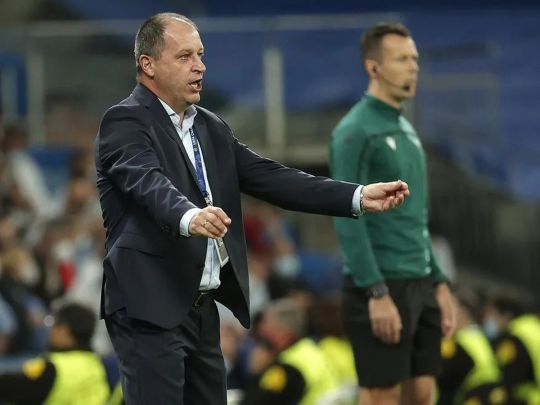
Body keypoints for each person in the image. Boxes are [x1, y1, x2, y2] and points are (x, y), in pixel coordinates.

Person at [94, 13, 409, 405]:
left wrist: (356, 195)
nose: (200, 66)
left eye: (201, 55)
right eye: (185, 56)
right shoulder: (124, 120)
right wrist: (189, 216)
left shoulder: (210, 126)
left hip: (200, 307)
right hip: (148, 304)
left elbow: (273, 178)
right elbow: (145, 180)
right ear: (148, 64)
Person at [329, 22, 456, 405]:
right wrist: (376, 291)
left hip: (420, 281)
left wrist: (439, 282)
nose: (413, 67)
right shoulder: (354, 130)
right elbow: (345, 216)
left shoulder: (405, 128)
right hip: (382, 283)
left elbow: (416, 217)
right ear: (373, 68)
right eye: (401, 59)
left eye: (414, 58)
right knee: (382, 396)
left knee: (423, 394)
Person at [0, 302, 110, 404]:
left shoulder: (53, 367)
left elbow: (12, 388)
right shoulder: (95, 364)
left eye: (53, 323)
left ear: (64, 330)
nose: (50, 331)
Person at [241, 298, 340, 405]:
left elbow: (255, 402)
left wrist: (257, 373)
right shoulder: (312, 350)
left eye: (266, 325)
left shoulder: (286, 368)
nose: (261, 331)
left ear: (283, 332)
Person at [438, 289, 506, 405]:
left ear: (462, 315)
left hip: (476, 396)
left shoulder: (463, 343)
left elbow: (444, 378)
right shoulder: (476, 337)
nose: (445, 319)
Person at [494, 307, 540, 404]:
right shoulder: (534, 328)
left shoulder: (514, 336)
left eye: (495, 316)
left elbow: (510, 375)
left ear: (507, 316)